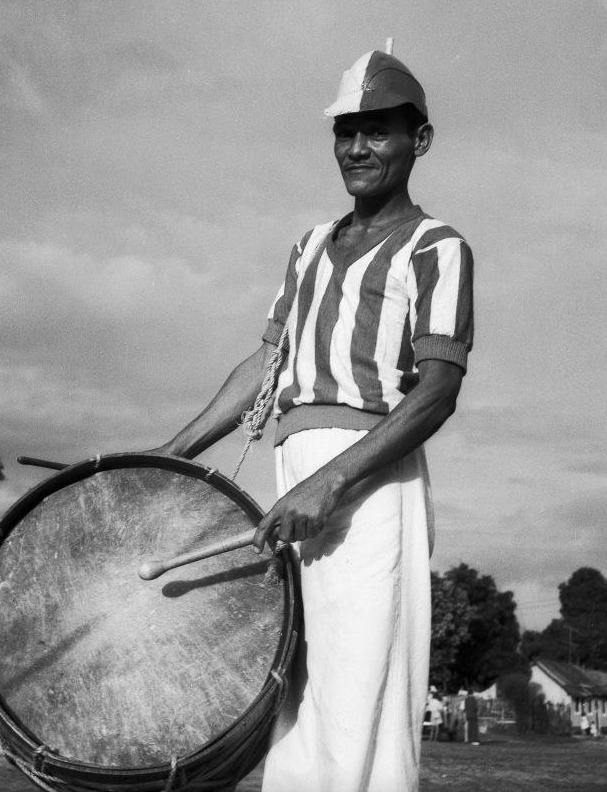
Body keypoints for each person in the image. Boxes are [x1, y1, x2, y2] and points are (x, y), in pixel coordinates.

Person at [150, 44, 474, 791]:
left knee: (359, 682)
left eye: (378, 130)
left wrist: (330, 483)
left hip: (369, 480)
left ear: (418, 140)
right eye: (345, 131)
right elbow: (266, 364)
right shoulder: (307, 249)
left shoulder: (437, 249)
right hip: (295, 468)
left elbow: (436, 391)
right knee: (293, 680)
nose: (357, 147)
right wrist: (169, 454)